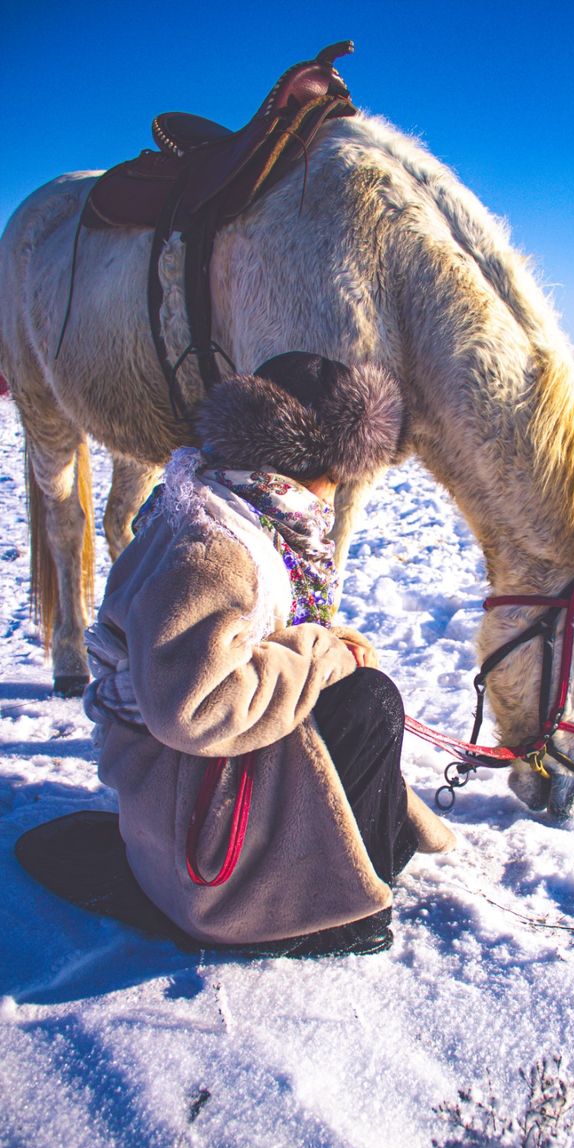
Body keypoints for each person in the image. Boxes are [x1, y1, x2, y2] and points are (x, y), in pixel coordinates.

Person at [80, 351, 455, 957]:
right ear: (324, 460)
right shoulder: (221, 546)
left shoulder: (215, 500)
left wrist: (323, 647)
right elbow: (192, 705)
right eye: (344, 469)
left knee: (353, 690)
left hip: (172, 801)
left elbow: (236, 638)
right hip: (199, 852)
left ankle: (351, 861)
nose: (341, 490)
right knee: (365, 700)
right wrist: (322, 655)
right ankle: (320, 911)